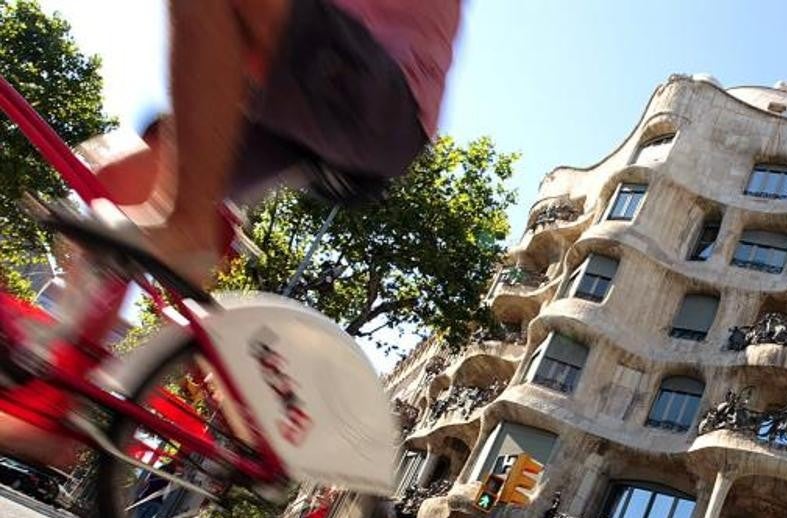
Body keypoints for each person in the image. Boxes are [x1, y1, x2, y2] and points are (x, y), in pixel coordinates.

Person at [0, 0, 462, 469]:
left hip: (378, 88)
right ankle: (50, 411)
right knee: (112, 181)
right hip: (290, 75)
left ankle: (189, 227)